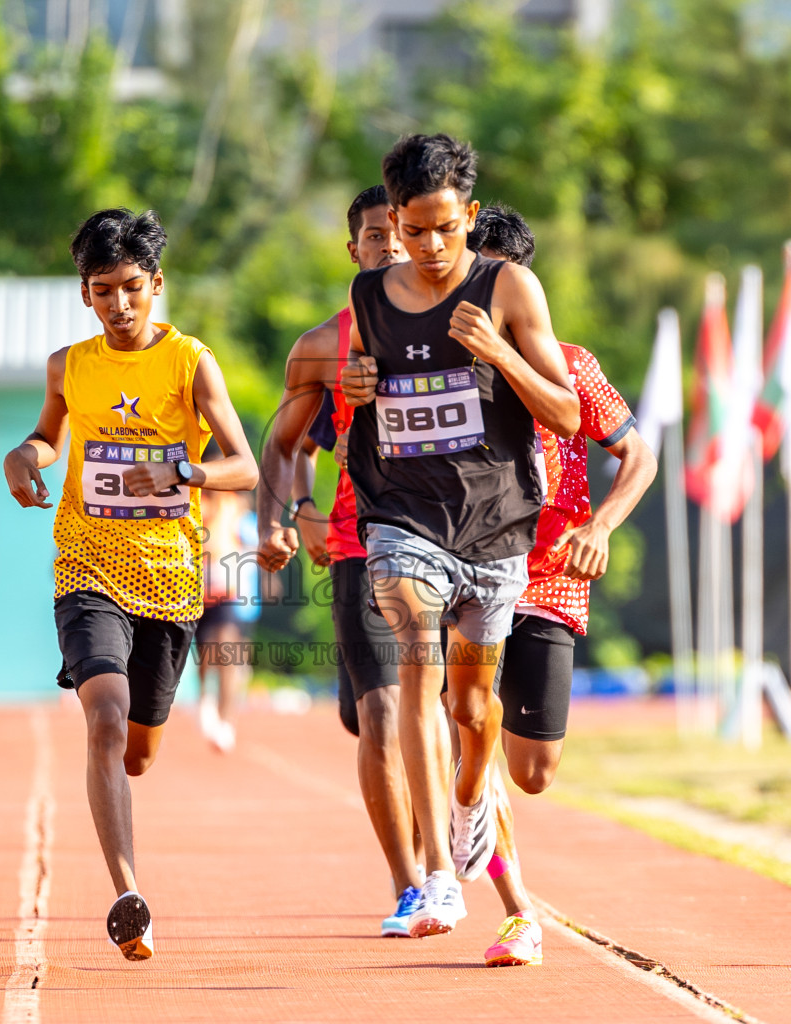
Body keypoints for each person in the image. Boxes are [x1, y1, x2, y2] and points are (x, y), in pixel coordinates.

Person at [2, 208, 258, 962]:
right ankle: (127, 895)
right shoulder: (69, 367)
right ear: (85, 293)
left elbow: (243, 465)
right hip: (86, 565)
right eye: (104, 290)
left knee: (138, 748)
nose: (120, 305)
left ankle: (133, 780)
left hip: (171, 579)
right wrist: (25, 457)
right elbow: (48, 435)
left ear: (157, 287)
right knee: (105, 719)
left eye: (133, 289)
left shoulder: (189, 364)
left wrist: (185, 470)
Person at [341, 134, 580, 938]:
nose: (432, 247)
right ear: (394, 224)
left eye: (446, 228)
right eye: (414, 231)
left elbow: (567, 413)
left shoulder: (508, 287)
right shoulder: (370, 296)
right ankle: (440, 878)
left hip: (496, 528)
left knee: (474, 707)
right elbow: (370, 399)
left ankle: (471, 806)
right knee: (415, 647)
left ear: (469, 217)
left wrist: (498, 352)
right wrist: (359, 387)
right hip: (404, 519)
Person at [461, 204, 658, 967]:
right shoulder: (434, 365)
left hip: (549, 583)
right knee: (468, 732)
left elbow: (636, 455)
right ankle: (518, 912)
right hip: (467, 573)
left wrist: (600, 526)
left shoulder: (573, 367)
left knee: (532, 772)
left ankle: (474, 772)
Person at [256, 185, 429, 937]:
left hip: (450, 544)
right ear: (352, 249)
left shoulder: (457, 327)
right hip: (362, 540)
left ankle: (434, 865)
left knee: (432, 712)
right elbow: (283, 444)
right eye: (373, 236)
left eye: (401, 234)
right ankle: (411, 884)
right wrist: (296, 511)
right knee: (377, 712)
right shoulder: (324, 346)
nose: (390, 247)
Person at [194, 485, 259, 753]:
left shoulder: (238, 509)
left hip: (229, 592)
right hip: (196, 592)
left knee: (227, 650)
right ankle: (206, 701)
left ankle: (226, 721)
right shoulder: (195, 504)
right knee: (206, 657)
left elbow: (254, 547)